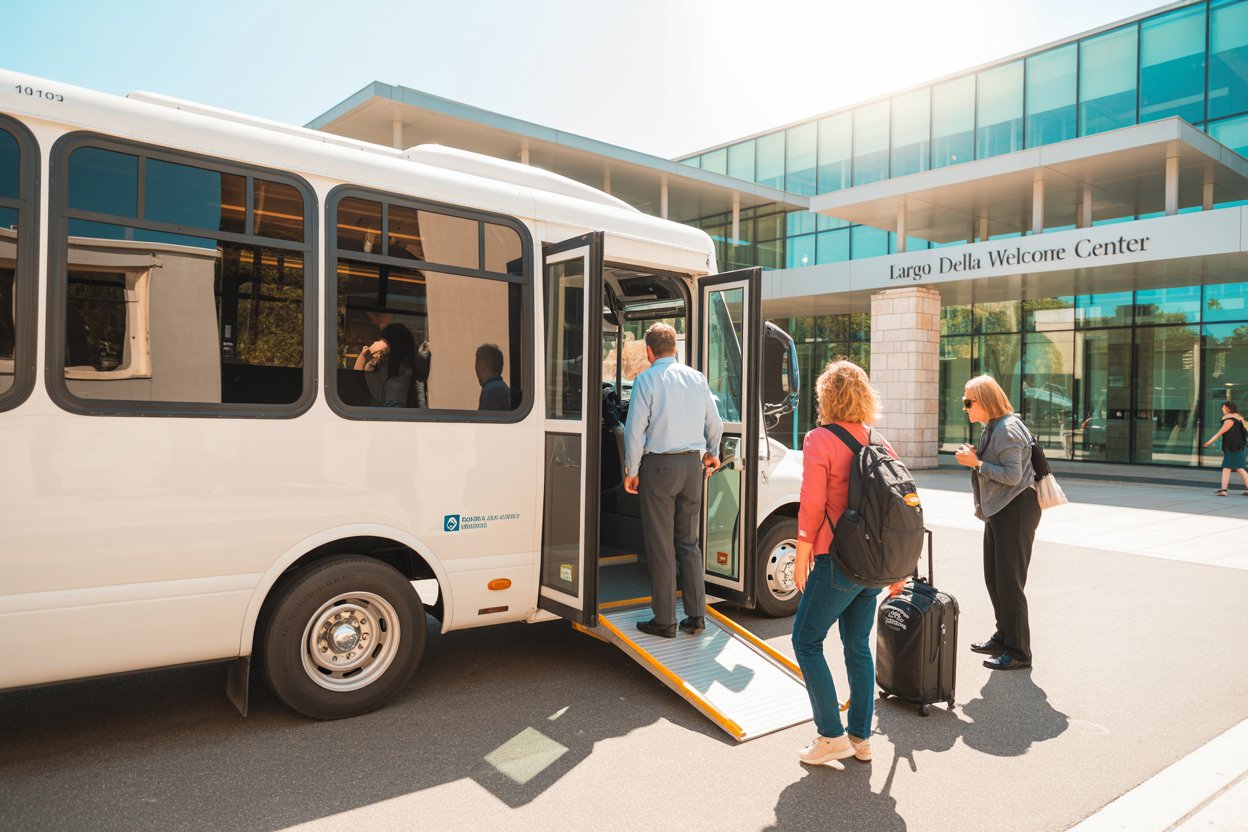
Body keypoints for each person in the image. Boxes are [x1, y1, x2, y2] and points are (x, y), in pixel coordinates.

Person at [791, 360, 905, 767]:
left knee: (805, 640)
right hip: (873, 563)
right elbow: (901, 504)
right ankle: (860, 736)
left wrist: (801, 554)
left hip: (836, 559)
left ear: (826, 397)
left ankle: (830, 735)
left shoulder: (819, 439)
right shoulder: (878, 439)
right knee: (857, 645)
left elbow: (813, 504)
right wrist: (901, 568)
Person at [623, 322, 722, 638]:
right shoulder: (696, 378)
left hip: (660, 469)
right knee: (688, 543)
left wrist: (632, 471)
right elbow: (715, 423)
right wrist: (713, 453)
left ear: (649, 352)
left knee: (662, 545)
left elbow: (635, 430)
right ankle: (696, 617)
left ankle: (664, 620)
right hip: (693, 467)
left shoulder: (646, 379)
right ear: (674, 349)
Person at [955, 374, 1039, 672]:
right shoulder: (993, 426)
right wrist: (977, 457)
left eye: (968, 402)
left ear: (984, 401)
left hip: (1016, 511)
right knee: (995, 578)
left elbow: (1013, 476)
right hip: (1000, 510)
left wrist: (976, 463)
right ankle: (1004, 635)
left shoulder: (1007, 429)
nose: (964, 408)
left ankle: (1019, 651)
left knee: (1009, 582)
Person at [354, 323, 419, 408]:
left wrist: (365, 354)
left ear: (390, 347)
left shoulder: (396, 384)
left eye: (383, 340)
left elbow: (356, 385)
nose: (375, 342)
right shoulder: (392, 372)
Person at [1202, 401, 1248, 496]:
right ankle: (1224, 490)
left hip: (1233, 448)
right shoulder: (1239, 418)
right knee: (1237, 468)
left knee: (1231, 468)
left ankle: (1224, 491)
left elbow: (1219, 433)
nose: (1222, 409)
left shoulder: (1229, 420)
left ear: (1227, 408)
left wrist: (1209, 442)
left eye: (1223, 407)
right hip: (1239, 446)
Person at [475, 343, 511, 410]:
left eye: (476, 364)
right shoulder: (503, 388)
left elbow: (488, 420)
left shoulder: (491, 392)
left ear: (483, 365)